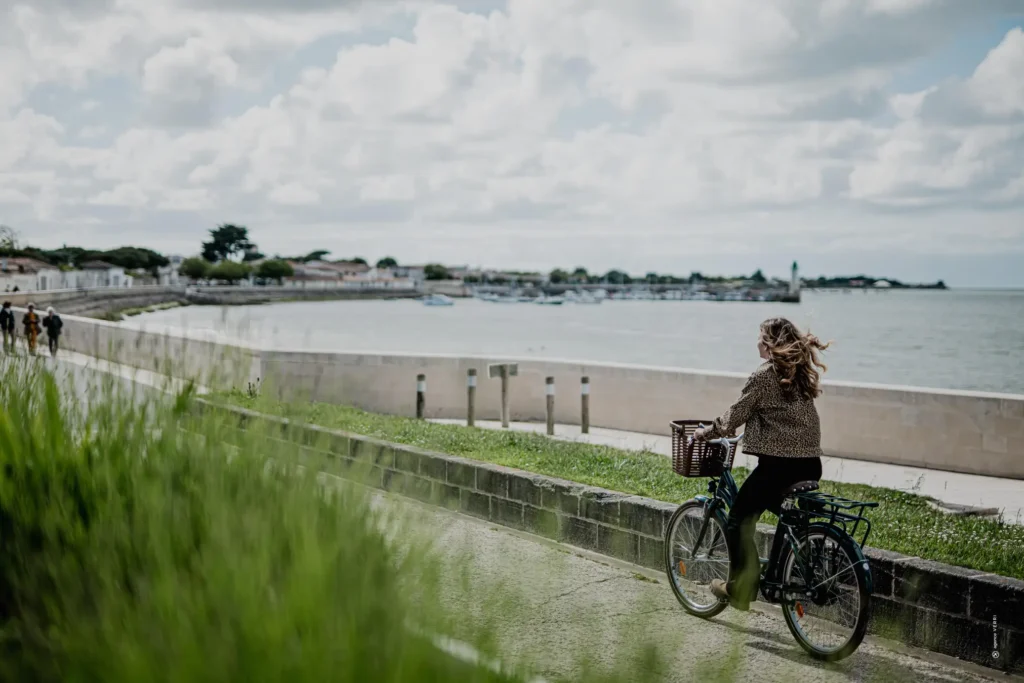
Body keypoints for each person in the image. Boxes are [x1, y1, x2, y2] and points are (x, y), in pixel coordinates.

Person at [694, 317, 830, 612]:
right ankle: (778, 575)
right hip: (810, 464)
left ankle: (742, 587)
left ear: (768, 344)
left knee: (738, 520)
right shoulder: (798, 372)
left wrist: (706, 433)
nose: (756, 341)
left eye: (759, 337)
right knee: (785, 515)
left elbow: (734, 415)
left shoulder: (764, 375)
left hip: (779, 468)